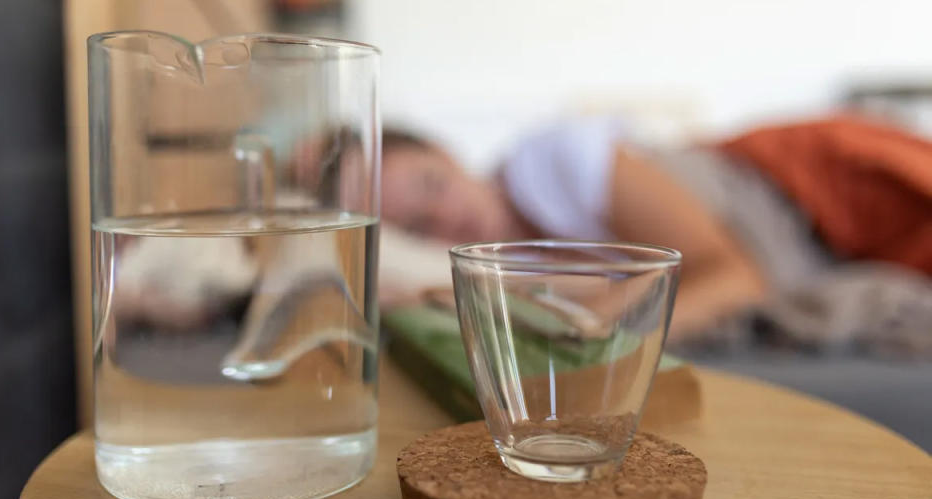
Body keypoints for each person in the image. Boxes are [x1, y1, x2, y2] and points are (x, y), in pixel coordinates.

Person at [378, 116, 932, 351]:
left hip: (783, 198)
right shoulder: (515, 267)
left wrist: (603, 329)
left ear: (448, 153)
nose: (444, 217)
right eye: (418, 226)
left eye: (433, 185)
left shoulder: (552, 160)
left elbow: (741, 276)